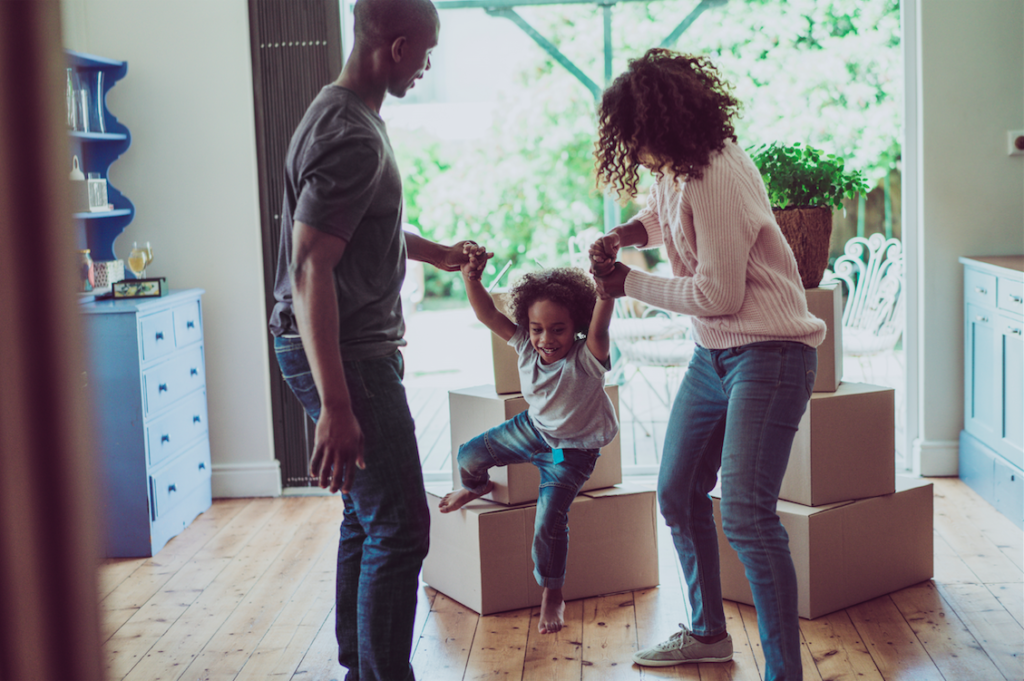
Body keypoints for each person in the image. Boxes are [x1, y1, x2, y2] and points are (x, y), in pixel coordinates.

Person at [588, 48, 825, 679]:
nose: (631, 147)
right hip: (714, 354)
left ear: (661, 123)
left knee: (747, 514)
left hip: (769, 354)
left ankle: (784, 673)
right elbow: (665, 218)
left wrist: (626, 284)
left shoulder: (717, 170)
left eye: (634, 134)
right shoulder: (678, 166)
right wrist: (625, 238)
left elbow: (718, 296)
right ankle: (707, 634)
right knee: (677, 490)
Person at [267, 1, 475, 679]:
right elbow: (310, 265)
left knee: (367, 517)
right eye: (428, 53)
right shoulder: (352, 134)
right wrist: (336, 404)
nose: (428, 66)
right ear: (398, 46)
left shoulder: (339, 113)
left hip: (344, 348)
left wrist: (438, 253)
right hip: (348, 356)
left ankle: (362, 667)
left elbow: (351, 229)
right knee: (403, 526)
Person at [438, 245, 618, 636]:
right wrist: (471, 278)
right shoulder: (523, 344)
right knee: (468, 454)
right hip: (532, 430)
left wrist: (605, 292)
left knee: (548, 522)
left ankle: (552, 592)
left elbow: (601, 329)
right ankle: (478, 486)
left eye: (558, 330)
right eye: (537, 329)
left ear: (576, 327)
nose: (546, 340)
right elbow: (487, 313)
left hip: (571, 452)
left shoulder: (587, 358)